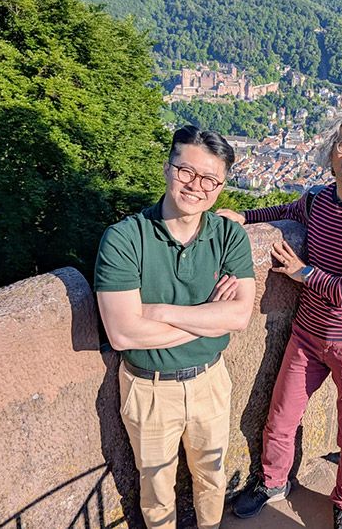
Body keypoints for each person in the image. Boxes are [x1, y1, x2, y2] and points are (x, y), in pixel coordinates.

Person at [219, 111, 342, 529]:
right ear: (331, 150)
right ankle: (271, 482)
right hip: (308, 333)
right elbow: (286, 209)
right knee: (281, 415)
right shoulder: (319, 200)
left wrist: (303, 274)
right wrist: (244, 218)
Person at [94, 125, 256, 529]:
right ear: (168, 169)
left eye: (209, 179)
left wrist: (159, 312)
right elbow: (123, 334)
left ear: (220, 186)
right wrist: (207, 318)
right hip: (148, 387)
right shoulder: (125, 238)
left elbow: (238, 316)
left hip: (210, 381)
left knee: (213, 477)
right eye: (186, 171)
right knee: (155, 489)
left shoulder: (229, 235)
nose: (195, 186)